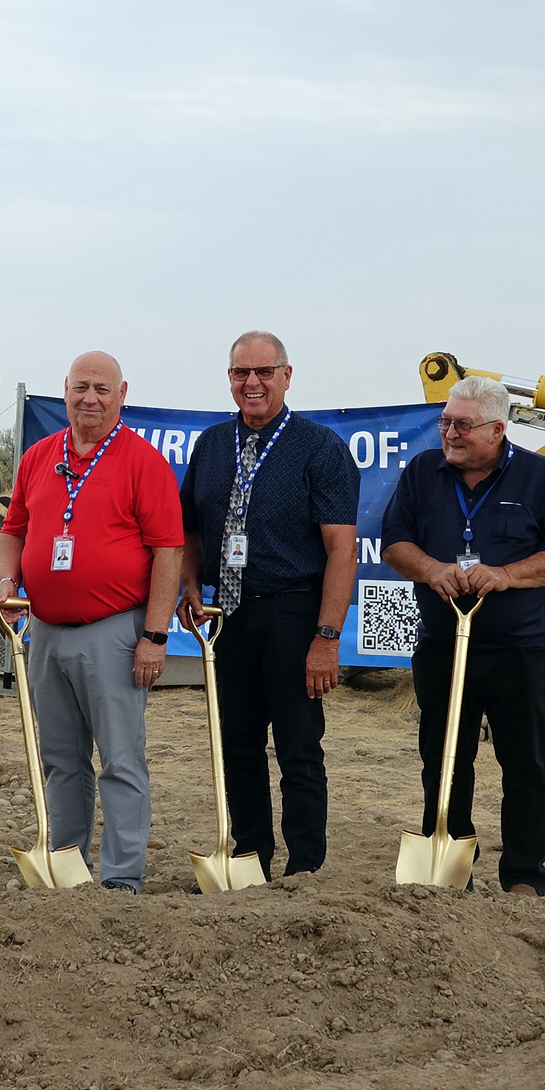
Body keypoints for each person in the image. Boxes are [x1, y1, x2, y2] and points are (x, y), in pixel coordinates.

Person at [381, 375, 545, 897]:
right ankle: (449, 874)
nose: (449, 433)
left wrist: (506, 574)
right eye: (445, 422)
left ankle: (524, 878)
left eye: (462, 425)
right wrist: (430, 568)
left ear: (497, 429)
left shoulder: (543, 479)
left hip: (520, 649)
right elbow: (395, 542)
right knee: (443, 758)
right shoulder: (423, 473)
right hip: (443, 648)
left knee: (527, 765)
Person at [0, 351, 184, 893]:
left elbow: (168, 551)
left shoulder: (142, 461)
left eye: (103, 388)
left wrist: (154, 634)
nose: (91, 398)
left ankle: (122, 879)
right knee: (60, 760)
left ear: (122, 394)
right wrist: (9, 583)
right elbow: (13, 531)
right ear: (67, 390)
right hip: (47, 632)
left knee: (120, 760)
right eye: (82, 387)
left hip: (116, 632)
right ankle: (67, 867)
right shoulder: (37, 457)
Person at [176, 331, 358, 878]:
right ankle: (250, 858)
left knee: (299, 749)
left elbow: (341, 550)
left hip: (293, 614)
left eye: (263, 372)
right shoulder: (211, 444)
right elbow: (189, 529)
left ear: (286, 374)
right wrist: (189, 583)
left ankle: (306, 870)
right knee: (238, 746)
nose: (251, 383)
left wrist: (326, 639)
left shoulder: (319, 447)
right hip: (228, 617)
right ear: (229, 378)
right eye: (240, 373)